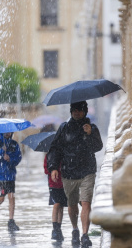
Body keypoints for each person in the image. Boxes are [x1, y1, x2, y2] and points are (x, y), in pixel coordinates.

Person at [47, 101, 103, 247]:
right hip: (69, 172)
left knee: (86, 202)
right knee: (72, 205)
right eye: (74, 110)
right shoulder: (64, 128)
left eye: (79, 110)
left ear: (85, 111)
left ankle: (85, 235)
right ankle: (75, 229)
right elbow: (55, 149)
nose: (76, 112)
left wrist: (90, 134)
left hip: (87, 171)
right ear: (71, 111)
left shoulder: (91, 128)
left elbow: (98, 146)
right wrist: (53, 167)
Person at [44, 154, 67, 242]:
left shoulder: (64, 154)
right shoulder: (49, 155)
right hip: (53, 184)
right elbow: (46, 170)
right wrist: (53, 170)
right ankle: (55, 228)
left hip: (63, 183)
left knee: (61, 206)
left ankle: (59, 228)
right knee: (56, 204)